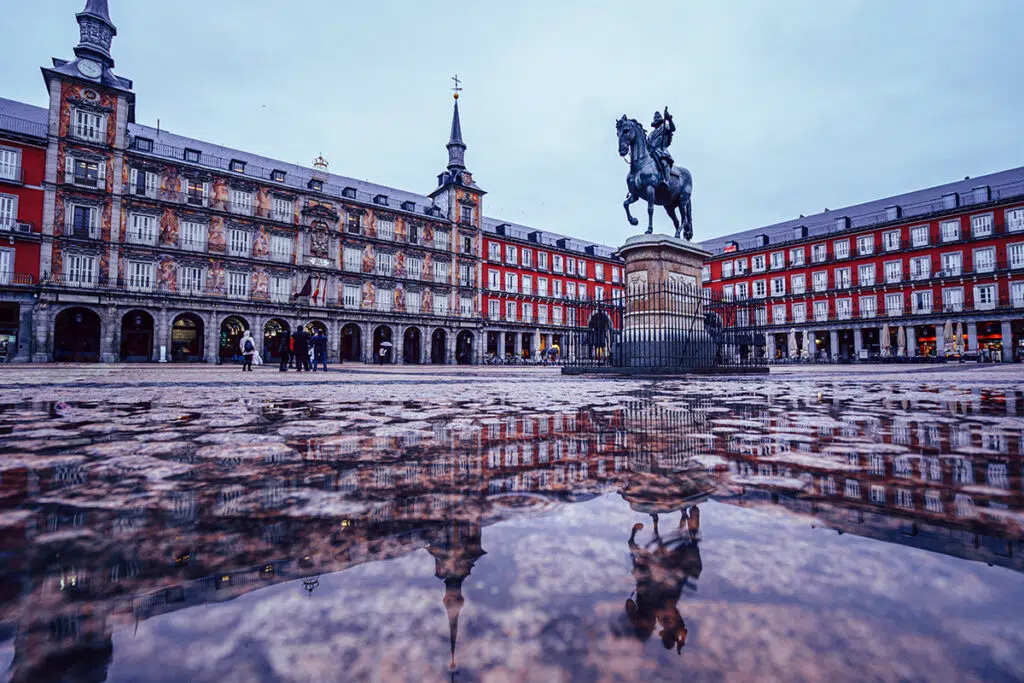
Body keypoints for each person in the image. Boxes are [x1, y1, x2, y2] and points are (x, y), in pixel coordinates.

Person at [647, 107, 676, 190]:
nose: (656, 119)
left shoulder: (665, 127)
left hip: (661, 150)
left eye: (657, 118)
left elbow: (673, 129)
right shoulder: (651, 134)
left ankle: (667, 181)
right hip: (651, 153)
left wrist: (669, 119)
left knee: (663, 162)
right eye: (655, 118)